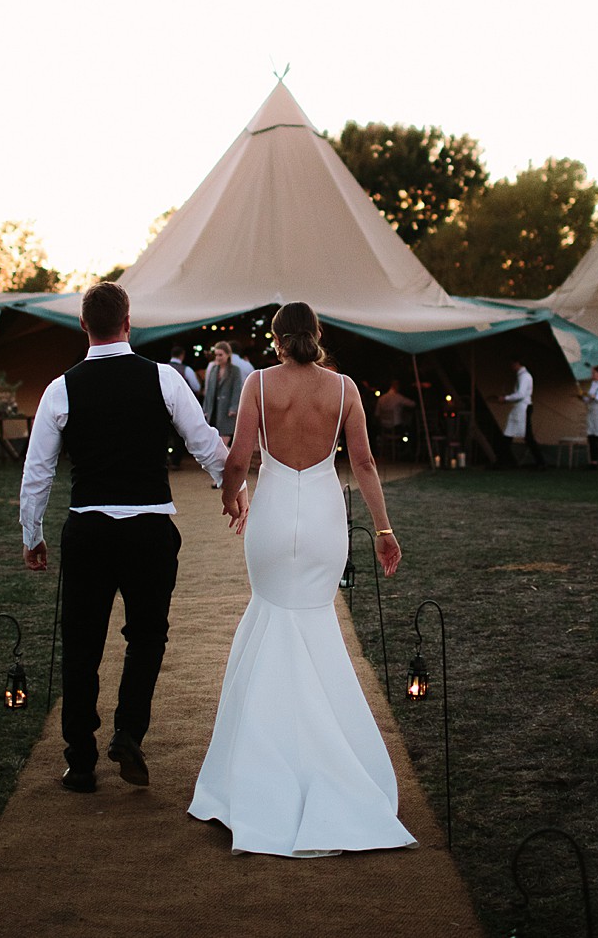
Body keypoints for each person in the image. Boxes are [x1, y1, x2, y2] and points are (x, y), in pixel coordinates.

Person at [189, 301, 416, 857]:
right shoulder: (343, 389)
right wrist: (383, 528)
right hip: (322, 521)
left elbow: (238, 459)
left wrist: (232, 499)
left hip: (271, 522)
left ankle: (261, 769)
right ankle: (332, 760)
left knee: (269, 616)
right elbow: (362, 463)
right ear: (317, 336)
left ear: (277, 341)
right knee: (314, 624)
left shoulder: (259, 384)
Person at [19, 282, 246, 794]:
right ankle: (128, 731)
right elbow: (206, 441)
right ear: (129, 322)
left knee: (81, 644)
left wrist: (32, 533)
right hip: (149, 530)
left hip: (89, 529)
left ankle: (80, 760)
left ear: (84, 326)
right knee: (147, 637)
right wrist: (234, 489)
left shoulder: (61, 388)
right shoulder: (163, 379)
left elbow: (38, 473)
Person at [501, 357, 547, 469]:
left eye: (512, 364)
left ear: (517, 363)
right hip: (519, 407)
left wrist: (506, 398)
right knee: (509, 433)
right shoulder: (521, 376)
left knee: (527, 436)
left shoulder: (524, 376)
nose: (511, 367)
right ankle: (503, 460)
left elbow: (521, 394)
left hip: (523, 407)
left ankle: (541, 462)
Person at [167, 345, 204, 467]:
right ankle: (176, 461)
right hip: (179, 406)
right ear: (182, 355)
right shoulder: (186, 370)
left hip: (163, 405)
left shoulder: (162, 368)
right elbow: (196, 387)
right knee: (178, 435)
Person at [201, 341, 243, 445]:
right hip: (213, 410)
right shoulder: (214, 369)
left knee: (223, 442)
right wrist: (205, 409)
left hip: (226, 410)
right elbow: (209, 390)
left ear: (228, 355)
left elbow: (237, 390)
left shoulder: (235, 370)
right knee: (213, 442)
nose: (218, 357)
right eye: (216, 355)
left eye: (220, 355)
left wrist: (234, 407)